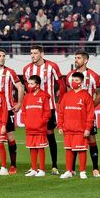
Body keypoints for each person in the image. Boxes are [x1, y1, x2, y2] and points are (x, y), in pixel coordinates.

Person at [23, 45, 65, 175]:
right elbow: (27, 88)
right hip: (33, 109)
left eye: (35, 53)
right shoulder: (27, 69)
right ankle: (34, 166)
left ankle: (54, 165)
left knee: (49, 135)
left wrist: (61, 99)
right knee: (33, 136)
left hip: (49, 106)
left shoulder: (52, 66)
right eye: (31, 53)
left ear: (42, 53)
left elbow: (61, 83)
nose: (33, 55)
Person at [0, 48, 24, 174]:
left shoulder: (10, 72)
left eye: (3, 55)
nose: (2, 58)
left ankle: (12, 165)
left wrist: (19, 103)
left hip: (7, 109)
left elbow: (20, 87)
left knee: (10, 137)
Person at [65, 50, 100, 177]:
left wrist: (89, 109)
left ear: (86, 60)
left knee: (91, 139)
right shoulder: (70, 75)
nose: (76, 60)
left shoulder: (94, 76)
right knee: (72, 140)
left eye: (79, 58)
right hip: (73, 116)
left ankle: (95, 168)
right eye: (75, 58)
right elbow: (68, 95)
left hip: (87, 115)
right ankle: (71, 169)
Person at [57, 72, 95, 180]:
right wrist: (60, 126)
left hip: (80, 129)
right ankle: (69, 171)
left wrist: (88, 128)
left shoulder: (86, 95)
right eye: (73, 80)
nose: (74, 82)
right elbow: (61, 112)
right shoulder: (66, 96)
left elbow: (90, 114)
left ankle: (82, 171)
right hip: (68, 129)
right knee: (68, 149)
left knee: (81, 150)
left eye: (77, 80)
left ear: (81, 82)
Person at [21, 75, 51, 177]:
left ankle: (41, 170)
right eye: (28, 83)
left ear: (37, 85)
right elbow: (24, 111)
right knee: (32, 147)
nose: (29, 85)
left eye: (31, 83)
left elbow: (47, 112)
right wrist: (26, 121)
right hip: (30, 127)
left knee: (40, 147)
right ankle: (33, 169)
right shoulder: (27, 96)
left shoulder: (43, 96)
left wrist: (42, 122)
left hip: (40, 128)